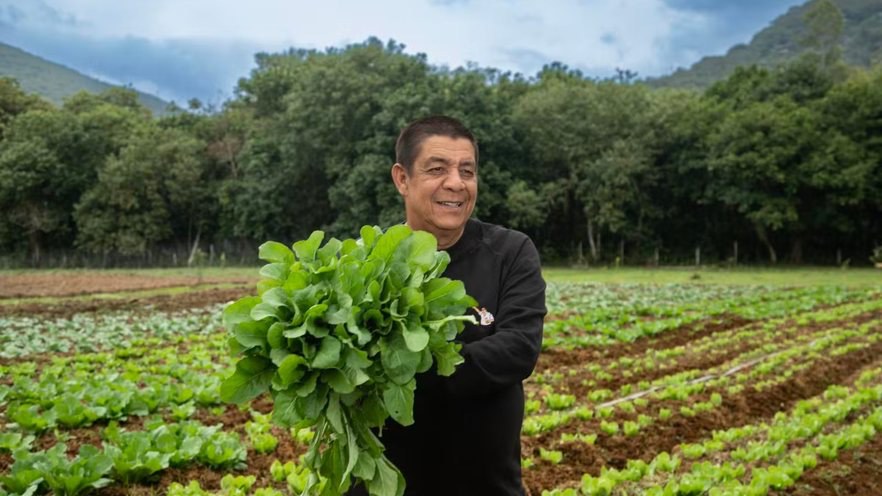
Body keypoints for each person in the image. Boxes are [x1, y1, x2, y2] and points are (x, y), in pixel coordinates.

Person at [350, 115, 547, 495]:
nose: (456, 183)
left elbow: (519, 349)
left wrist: (404, 366)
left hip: (486, 486)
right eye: (437, 169)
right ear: (402, 179)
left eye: (467, 171)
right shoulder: (365, 264)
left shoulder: (510, 252)